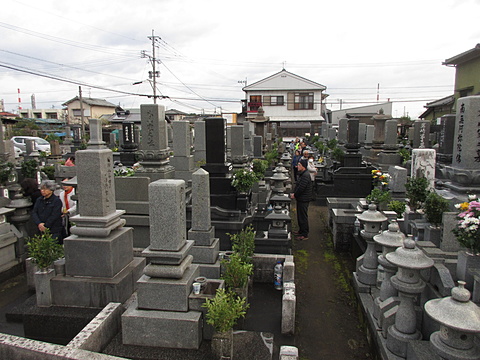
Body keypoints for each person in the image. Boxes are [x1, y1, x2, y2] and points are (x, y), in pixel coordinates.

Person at [290, 158, 312, 240]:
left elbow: (301, 188)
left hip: (304, 199)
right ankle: (301, 230)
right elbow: (298, 186)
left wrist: (295, 195)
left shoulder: (305, 175)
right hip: (301, 198)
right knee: (300, 215)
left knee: (303, 216)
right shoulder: (303, 174)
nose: (297, 166)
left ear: (303, 166)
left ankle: (305, 234)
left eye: (299, 165)